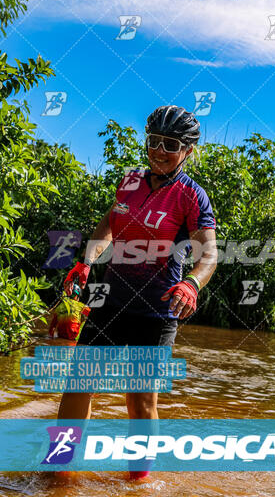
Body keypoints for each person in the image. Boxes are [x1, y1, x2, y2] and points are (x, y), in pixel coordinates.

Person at [56, 105, 218, 481]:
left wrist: (192, 284)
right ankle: (58, 473)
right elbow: (107, 225)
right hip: (111, 302)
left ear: (188, 151)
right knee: (78, 386)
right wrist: (86, 260)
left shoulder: (192, 196)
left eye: (170, 144)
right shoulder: (130, 181)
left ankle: (138, 484)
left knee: (141, 402)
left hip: (156, 312)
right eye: (153, 141)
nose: (159, 151)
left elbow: (208, 254)